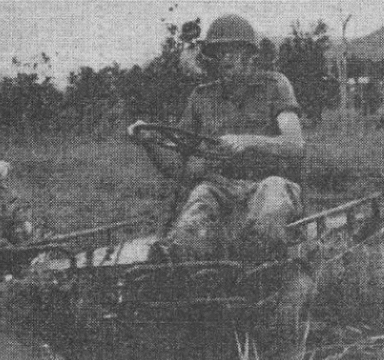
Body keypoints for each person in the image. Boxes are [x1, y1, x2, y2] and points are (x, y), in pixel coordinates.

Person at [129, 14, 306, 264]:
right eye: (219, 52)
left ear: (250, 55)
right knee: (200, 195)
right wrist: (149, 142)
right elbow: (179, 169)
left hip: (268, 182)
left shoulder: (275, 85)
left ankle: (254, 263)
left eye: (233, 51)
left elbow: (295, 144)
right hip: (221, 187)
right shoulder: (202, 98)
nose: (225, 58)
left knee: (272, 194)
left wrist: (248, 141)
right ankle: (175, 260)